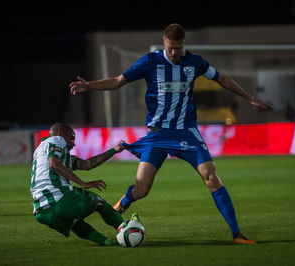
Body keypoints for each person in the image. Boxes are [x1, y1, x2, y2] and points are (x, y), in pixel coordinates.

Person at [69, 23, 272, 245]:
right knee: (142, 189)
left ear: (183, 43)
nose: (174, 52)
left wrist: (249, 97)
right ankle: (126, 201)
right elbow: (118, 81)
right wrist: (89, 86)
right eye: (170, 48)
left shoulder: (195, 62)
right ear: (164, 43)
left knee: (211, 177)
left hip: (187, 131)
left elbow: (221, 78)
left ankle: (236, 233)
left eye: (178, 47)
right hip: (158, 133)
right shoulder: (150, 61)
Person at [31, 122, 133, 246]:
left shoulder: (42, 150)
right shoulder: (57, 139)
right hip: (59, 200)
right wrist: (83, 183)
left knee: (74, 222)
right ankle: (127, 230)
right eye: (72, 138)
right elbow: (54, 164)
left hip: (42, 212)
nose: (73, 143)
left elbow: (87, 164)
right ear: (60, 133)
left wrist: (114, 150)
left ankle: (106, 242)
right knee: (99, 202)